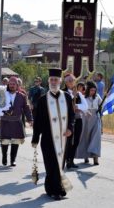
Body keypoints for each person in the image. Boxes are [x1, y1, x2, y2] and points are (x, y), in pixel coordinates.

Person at [32, 68, 75, 200]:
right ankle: (53, 189)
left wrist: (70, 128)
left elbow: (72, 116)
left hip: (63, 138)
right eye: (52, 80)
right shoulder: (43, 99)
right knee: (50, 164)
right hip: (47, 139)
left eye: (56, 79)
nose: (54, 82)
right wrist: (35, 138)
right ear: (48, 81)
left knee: (59, 164)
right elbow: (38, 120)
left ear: (60, 81)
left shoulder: (67, 97)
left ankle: (55, 188)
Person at [0, 77, 33, 167]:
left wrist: (30, 119)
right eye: (10, 84)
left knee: (15, 141)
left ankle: (13, 160)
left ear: (17, 85)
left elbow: (26, 108)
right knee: (5, 141)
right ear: (8, 85)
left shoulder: (22, 96)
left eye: (14, 84)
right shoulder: (3, 94)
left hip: (16, 121)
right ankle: (4, 156)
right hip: (5, 121)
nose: (12, 85)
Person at [62, 74, 88, 169]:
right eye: (69, 80)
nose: (71, 82)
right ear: (65, 82)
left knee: (76, 141)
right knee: (67, 141)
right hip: (67, 120)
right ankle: (64, 160)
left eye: (72, 80)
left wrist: (77, 106)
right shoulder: (62, 93)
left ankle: (71, 160)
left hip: (78, 119)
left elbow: (85, 106)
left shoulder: (78, 93)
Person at [76, 81, 102, 165]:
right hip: (86, 118)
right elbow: (81, 107)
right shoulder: (83, 98)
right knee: (85, 137)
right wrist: (86, 112)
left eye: (94, 90)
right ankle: (85, 156)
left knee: (96, 138)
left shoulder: (97, 97)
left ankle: (95, 158)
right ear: (88, 90)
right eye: (91, 90)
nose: (93, 92)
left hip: (95, 118)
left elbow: (102, 105)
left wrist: (106, 100)